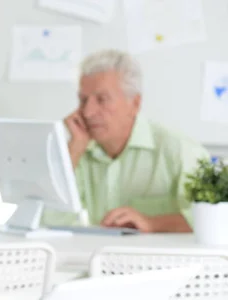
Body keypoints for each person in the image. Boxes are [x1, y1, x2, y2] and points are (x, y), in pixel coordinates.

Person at [43, 49, 209, 233]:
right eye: (83, 100)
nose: (88, 112)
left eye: (102, 99)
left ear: (135, 104)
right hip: (95, 259)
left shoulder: (181, 151)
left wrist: (152, 223)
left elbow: (213, 221)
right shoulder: (78, 150)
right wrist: (71, 154)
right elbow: (47, 221)